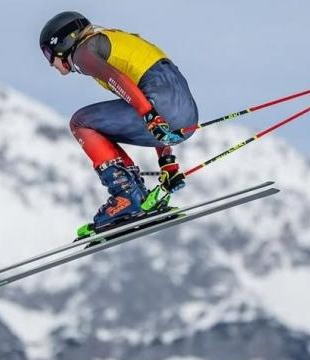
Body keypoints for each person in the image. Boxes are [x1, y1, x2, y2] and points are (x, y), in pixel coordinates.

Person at [39, 11, 199, 236]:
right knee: (113, 117)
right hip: (187, 117)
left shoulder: (84, 53)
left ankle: (127, 195)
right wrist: (167, 161)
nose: (50, 63)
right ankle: (136, 195)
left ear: (64, 42)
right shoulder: (110, 40)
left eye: (48, 53)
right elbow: (148, 100)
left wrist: (149, 114)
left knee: (80, 123)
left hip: (161, 105)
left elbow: (120, 81)